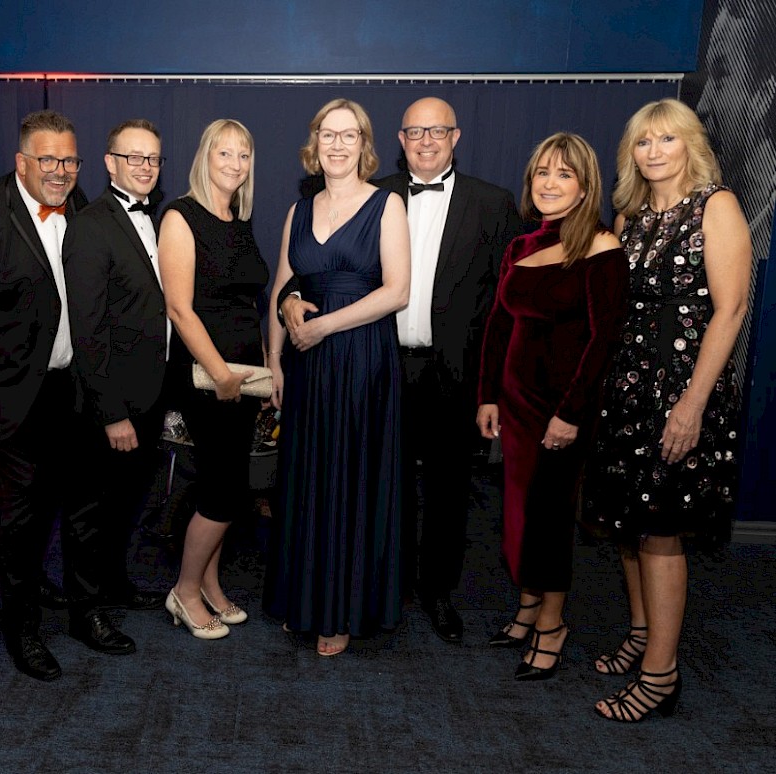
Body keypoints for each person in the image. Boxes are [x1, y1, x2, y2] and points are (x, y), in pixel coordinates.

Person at [280, 97, 522, 642]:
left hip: (451, 369)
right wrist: (289, 300)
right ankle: (383, 586)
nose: (426, 141)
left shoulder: (493, 203)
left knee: (447, 489)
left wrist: (493, 389)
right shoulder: (375, 193)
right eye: (415, 131)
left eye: (437, 131)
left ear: (456, 137)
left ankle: (438, 592)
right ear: (398, 139)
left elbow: (504, 307)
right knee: (375, 485)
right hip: (376, 363)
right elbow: (310, 269)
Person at [0, 110, 135, 682]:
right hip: (16, 397)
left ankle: (85, 613)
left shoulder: (80, 208)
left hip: (77, 389)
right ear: (21, 161)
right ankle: (20, 627)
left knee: (86, 509)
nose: (60, 171)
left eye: (70, 160)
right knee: (22, 522)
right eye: (47, 159)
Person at [585, 98, 750, 721]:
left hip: (683, 389)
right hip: (627, 390)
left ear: (691, 146)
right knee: (629, 522)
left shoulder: (716, 205)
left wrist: (693, 404)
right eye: (643, 141)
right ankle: (640, 633)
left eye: (667, 139)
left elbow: (731, 310)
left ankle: (661, 674)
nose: (654, 151)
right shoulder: (629, 218)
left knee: (660, 530)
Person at [475, 133, 628, 680]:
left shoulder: (602, 246)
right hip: (514, 404)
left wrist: (570, 412)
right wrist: (488, 395)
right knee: (518, 510)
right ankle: (527, 606)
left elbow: (602, 340)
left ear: (585, 186)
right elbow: (498, 325)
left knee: (550, 516)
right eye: (542, 172)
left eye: (564, 174)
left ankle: (552, 624)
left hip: (562, 407)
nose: (549, 183)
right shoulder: (519, 247)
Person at [263, 98, 411, 656]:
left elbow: (397, 291)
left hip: (362, 361)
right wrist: (276, 356)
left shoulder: (386, 205)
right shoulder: (299, 211)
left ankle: (341, 611)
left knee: (350, 480)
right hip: (307, 366)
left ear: (365, 144)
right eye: (329, 134)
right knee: (306, 479)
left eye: (350, 135)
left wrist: (324, 325)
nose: (338, 144)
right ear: (315, 142)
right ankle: (304, 600)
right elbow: (283, 286)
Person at [157, 119, 269, 640]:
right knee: (224, 491)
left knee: (227, 484)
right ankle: (183, 591)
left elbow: (249, 305)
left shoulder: (238, 220)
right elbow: (180, 309)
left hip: (243, 380)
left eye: (243, 155)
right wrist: (223, 375)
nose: (235, 164)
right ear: (205, 157)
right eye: (224, 153)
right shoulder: (181, 216)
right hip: (206, 377)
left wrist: (261, 372)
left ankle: (210, 584)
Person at [62, 119, 169, 611]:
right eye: (134, 157)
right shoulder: (90, 225)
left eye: (153, 158)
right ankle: (87, 613)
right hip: (110, 401)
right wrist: (111, 413)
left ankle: (115, 584)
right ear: (110, 163)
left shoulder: (157, 219)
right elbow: (88, 328)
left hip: (148, 393)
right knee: (91, 510)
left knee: (126, 501)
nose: (145, 167)